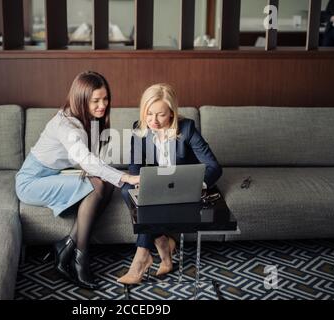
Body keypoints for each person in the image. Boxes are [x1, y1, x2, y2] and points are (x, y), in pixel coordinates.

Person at [15, 71, 140, 290]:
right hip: (31, 182)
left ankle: (67, 245)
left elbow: (90, 161)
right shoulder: (67, 126)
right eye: (95, 101)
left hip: (55, 175)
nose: (102, 105)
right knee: (101, 182)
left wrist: (112, 176)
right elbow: (87, 161)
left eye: (105, 99)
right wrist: (127, 177)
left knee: (106, 182)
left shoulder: (87, 119)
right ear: (81, 99)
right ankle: (80, 259)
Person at [117, 83, 222, 285]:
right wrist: (139, 181)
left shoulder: (187, 129)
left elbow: (214, 166)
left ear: (172, 113)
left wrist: (198, 184)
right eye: (149, 113)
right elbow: (134, 165)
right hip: (155, 184)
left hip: (180, 186)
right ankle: (163, 242)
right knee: (126, 189)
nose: (153, 121)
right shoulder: (139, 129)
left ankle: (141, 258)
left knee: (147, 202)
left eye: (160, 115)